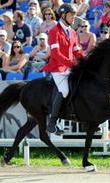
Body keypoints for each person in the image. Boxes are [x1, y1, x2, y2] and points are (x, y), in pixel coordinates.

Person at [41, 3, 84, 135]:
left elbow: (77, 51)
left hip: (69, 67)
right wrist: (71, 63)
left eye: (74, 15)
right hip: (57, 68)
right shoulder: (54, 31)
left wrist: (87, 61)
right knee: (64, 91)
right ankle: (52, 123)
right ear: (64, 15)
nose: (73, 18)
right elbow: (55, 54)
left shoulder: (72, 32)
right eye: (72, 15)